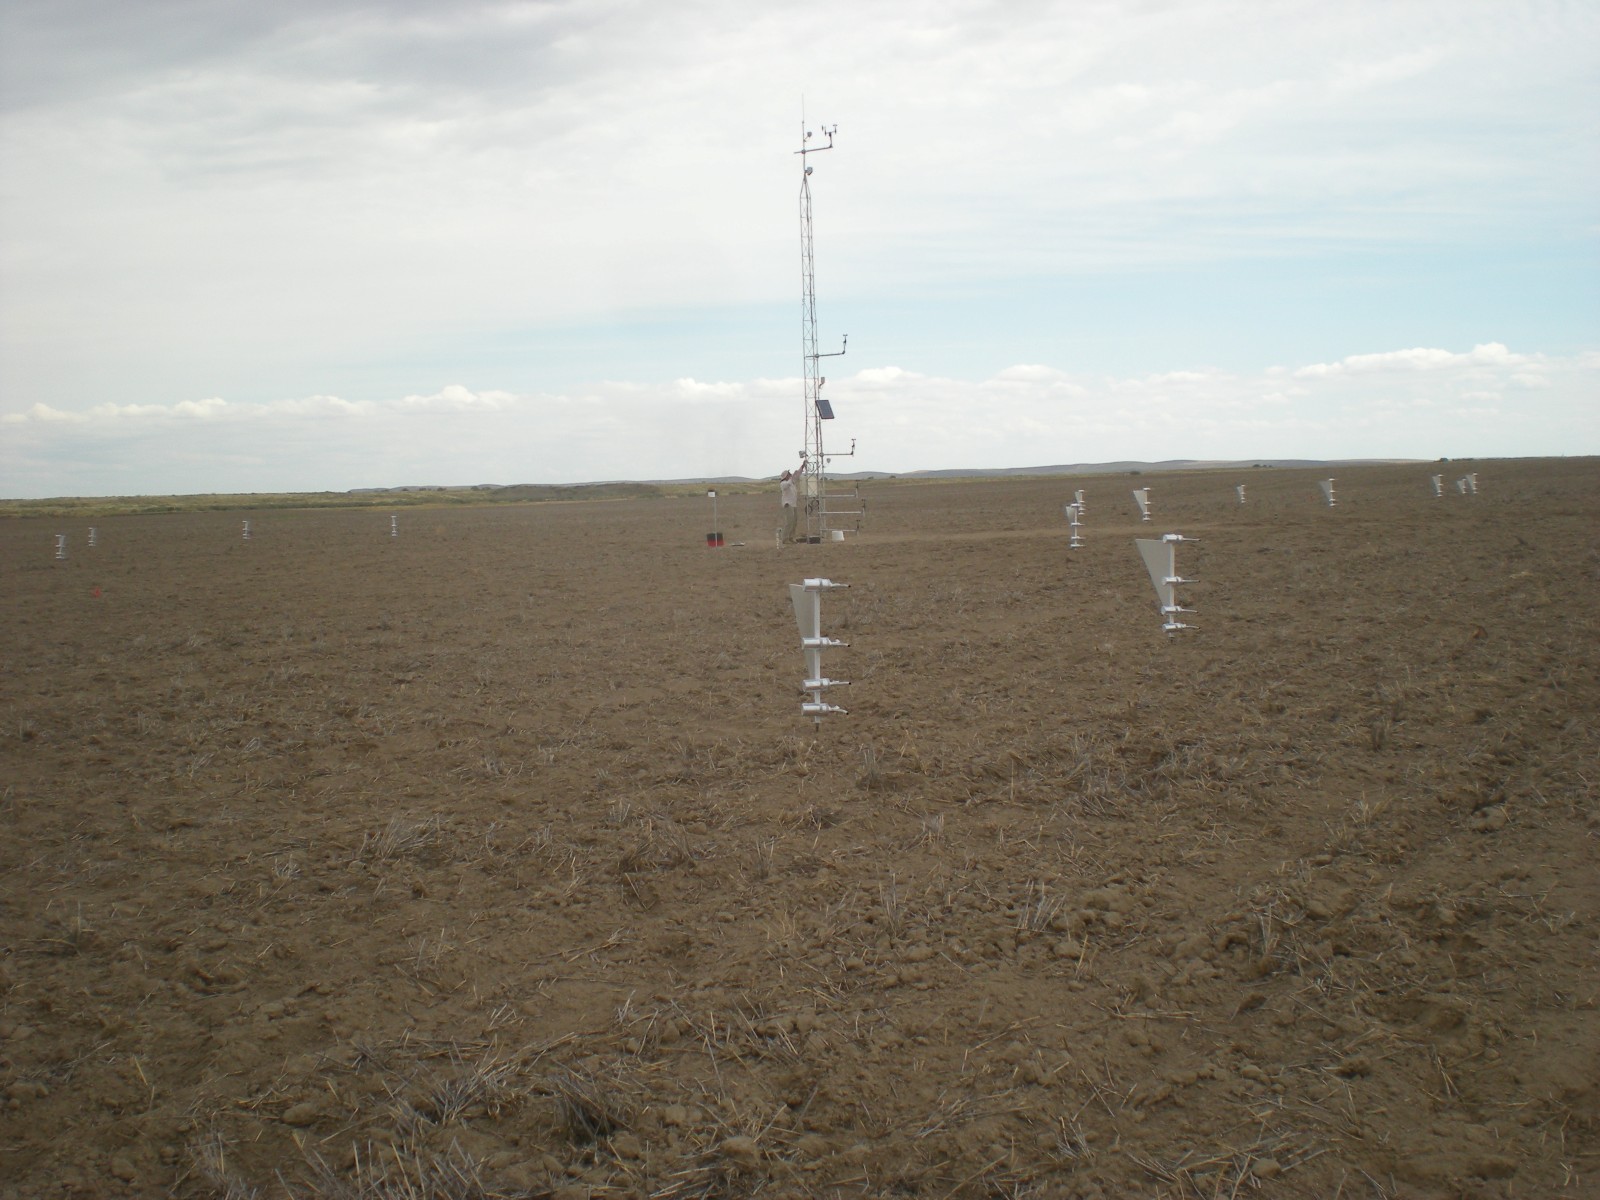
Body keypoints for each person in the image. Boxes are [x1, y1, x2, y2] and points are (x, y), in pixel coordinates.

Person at [779, 468, 800, 543]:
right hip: (788, 504)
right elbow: (788, 484)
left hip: (793, 504)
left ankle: (791, 537)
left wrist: (802, 467)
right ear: (786, 476)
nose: (790, 475)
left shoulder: (791, 482)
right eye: (789, 474)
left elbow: (797, 475)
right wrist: (792, 477)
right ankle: (785, 538)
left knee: (794, 522)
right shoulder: (783, 483)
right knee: (789, 522)